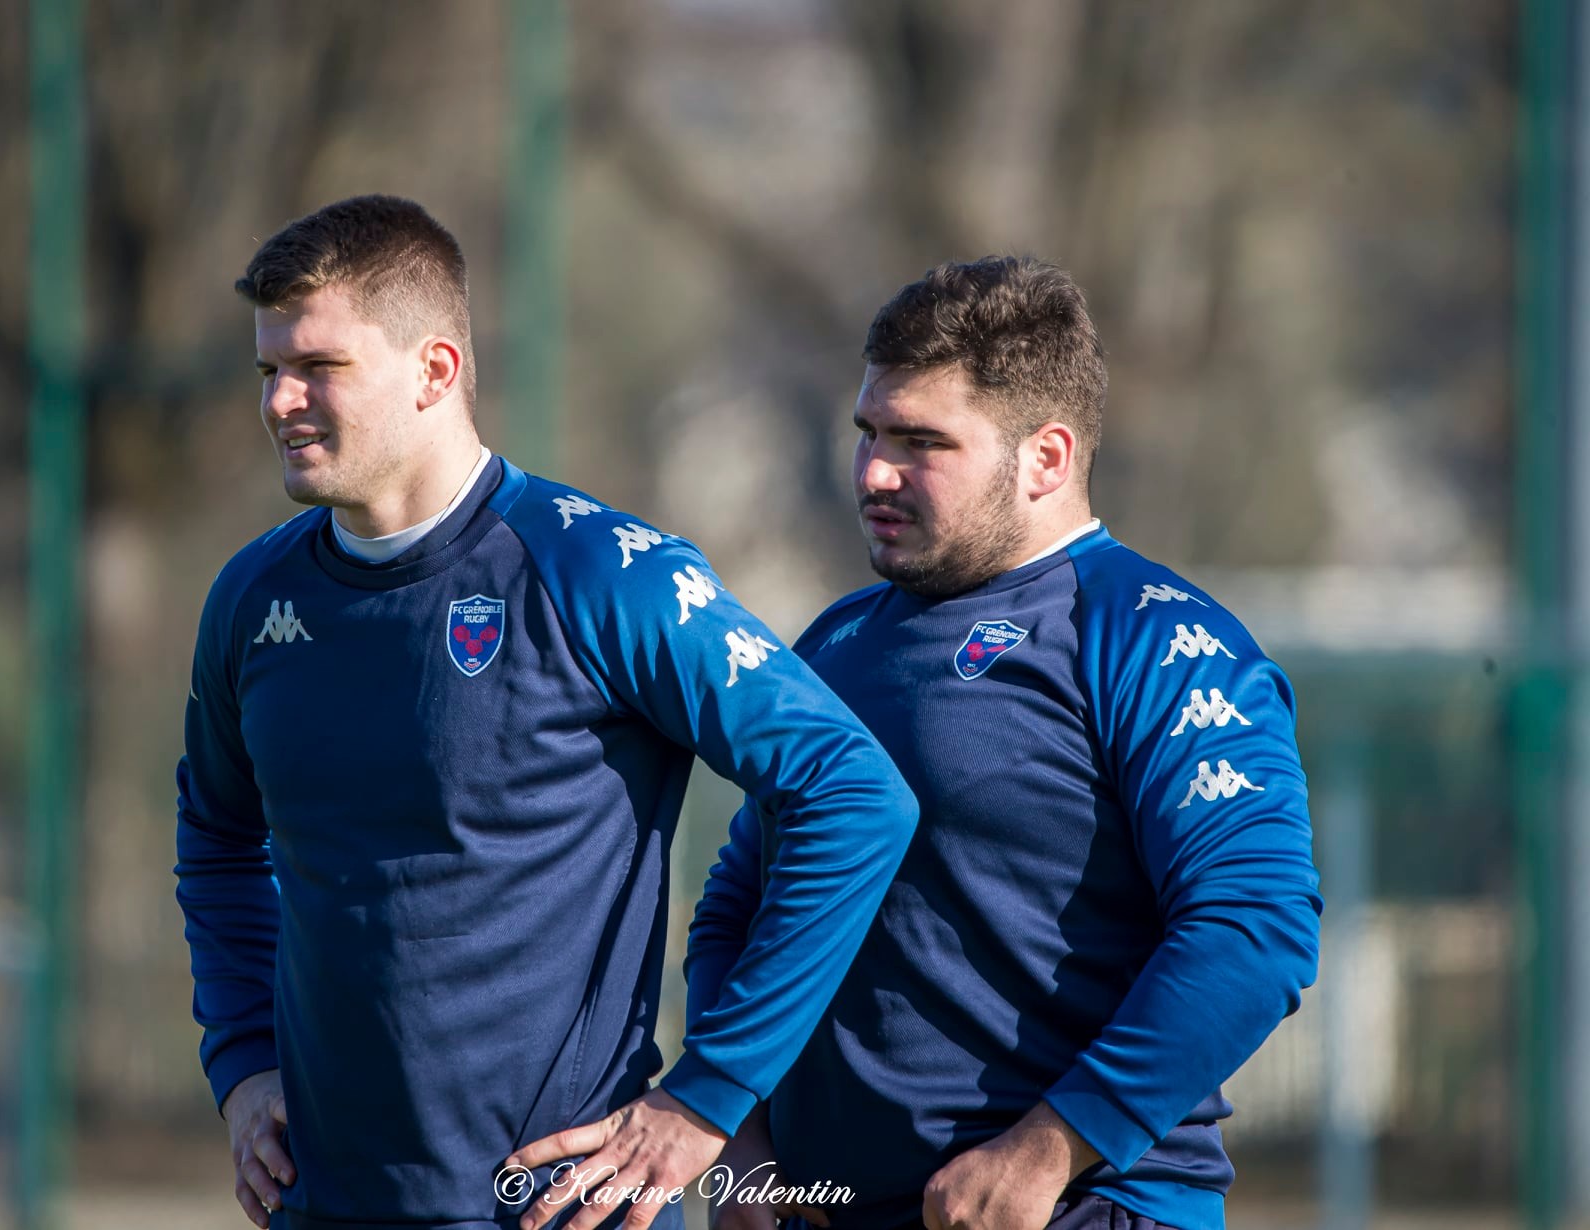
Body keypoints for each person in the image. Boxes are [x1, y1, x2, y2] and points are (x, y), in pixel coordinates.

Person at [172, 194, 919, 1230]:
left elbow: (854, 792)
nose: (282, 401)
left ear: (436, 371)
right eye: (270, 370)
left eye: (320, 368)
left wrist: (710, 1097)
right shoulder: (256, 601)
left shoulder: (603, 575)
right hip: (324, 1206)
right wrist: (245, 1057)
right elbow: (216, 835)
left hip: (553, 1210)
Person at [696, 258, 1321, 1230]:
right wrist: (731, 1135)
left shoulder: (1153, 641)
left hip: (1083, 1210)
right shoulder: (834, 640)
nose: (873, 472)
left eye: (921, 442)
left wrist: (1047, 1148)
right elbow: (740, 907)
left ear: (1046, 458)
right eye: (867, 432)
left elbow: (1255, 928)